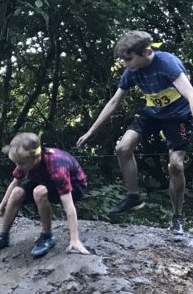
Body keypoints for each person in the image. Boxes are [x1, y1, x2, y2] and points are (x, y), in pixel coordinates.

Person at [76, 30, 193, 235]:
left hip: (178, 117)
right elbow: (114, 101)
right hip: (152, 114)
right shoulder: (131, 72)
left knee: (175, 166)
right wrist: (91, 131)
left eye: (128, 59)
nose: (125, 63)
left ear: (146, 52)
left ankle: (177, 217)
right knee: (122, 148)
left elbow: (190, 93)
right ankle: (133, 197)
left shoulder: (167, 63)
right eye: (123, 59)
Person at [0, 132, 91, 258]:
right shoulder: (25, 161)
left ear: (36, 156)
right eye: (16, 163)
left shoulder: (57, 165)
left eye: (21, 164)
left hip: (74, 187)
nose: (18, 167)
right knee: (17, 192)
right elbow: (13, 184)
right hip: (45, 180)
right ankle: (3, 237)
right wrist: (0, 210)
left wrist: (74, 239)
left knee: (39, 191)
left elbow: (69, 206)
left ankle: (47, 236)